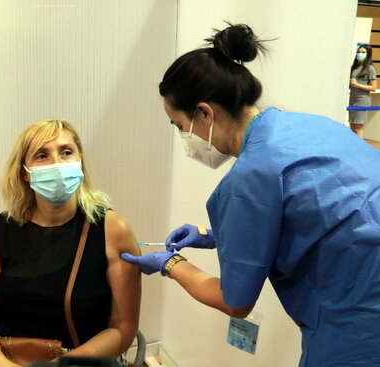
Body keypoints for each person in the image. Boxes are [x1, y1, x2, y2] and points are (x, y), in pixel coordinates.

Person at [121, 24, 380, 366]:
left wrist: (170, 263)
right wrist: (213, 236)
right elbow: (315, 212)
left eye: (181, 127)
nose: (185, 138)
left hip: (360, 323)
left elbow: (236, 302)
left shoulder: (250, 176)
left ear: (204, 112)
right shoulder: (310, 127)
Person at [0, 119, 141, 367]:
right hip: (7, 358)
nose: (57, 164)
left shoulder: (113, 230)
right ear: (25, 172)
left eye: (66, 152)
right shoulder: (1, 229)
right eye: (42, 156)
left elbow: (122, 327)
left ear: (80, 163)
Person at [349, 44, 377, 138]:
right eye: (359, 52)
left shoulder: (370, 69)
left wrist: (358, 85)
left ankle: (359, 150)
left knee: (358, 127)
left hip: (362, 99)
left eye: (363, 52)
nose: (360, 54)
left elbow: (373, 88)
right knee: (352, 126)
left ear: (368, 54)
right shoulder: (354, 67)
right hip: (352, 98)